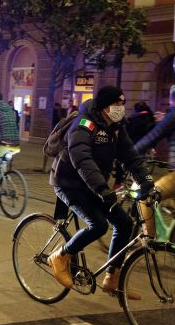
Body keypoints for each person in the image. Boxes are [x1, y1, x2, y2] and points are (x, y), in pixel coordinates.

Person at [48, 86, 153, 296]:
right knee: (99, 225)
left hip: (95, 186)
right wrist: (102, 188)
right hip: (69, 183)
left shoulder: (116, 127)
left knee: (125, 224)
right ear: (105, 106)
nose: (121, 108)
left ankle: (112, 278)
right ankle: (59, 256)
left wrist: (146, 181)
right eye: (117, 104)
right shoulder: (84, 123)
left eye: (123, 104)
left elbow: (130, 157)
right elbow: (82, 159)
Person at [135, 87, 175, 234]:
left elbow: (151, 137)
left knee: (145, 198)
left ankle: (149, 241)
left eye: (172, 101)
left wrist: (129, 154)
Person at [112, 101, 155, 189]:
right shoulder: (150, 118)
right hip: (144, 146)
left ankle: (118, 183)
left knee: (123, 162)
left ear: (135, 109)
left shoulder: (136, 119)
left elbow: (129, 133)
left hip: (134, 145)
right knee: (138, 166)